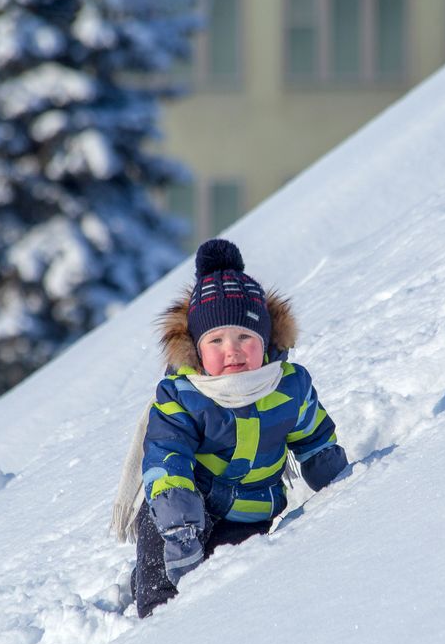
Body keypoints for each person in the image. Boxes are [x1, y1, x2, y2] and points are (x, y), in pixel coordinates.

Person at [111, 238, 347, 618]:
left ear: (266, 342)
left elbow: (315, 438)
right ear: (197, 351)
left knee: (229, 583)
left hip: (250, 512)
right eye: (216, 340)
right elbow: (166, 455)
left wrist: (339, 478)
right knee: (165, 568)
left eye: (245, 337)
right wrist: (179, 519)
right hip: (185, 506)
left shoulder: (289, 386)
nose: (232, 350)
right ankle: (155, 620)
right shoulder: (183, 396)